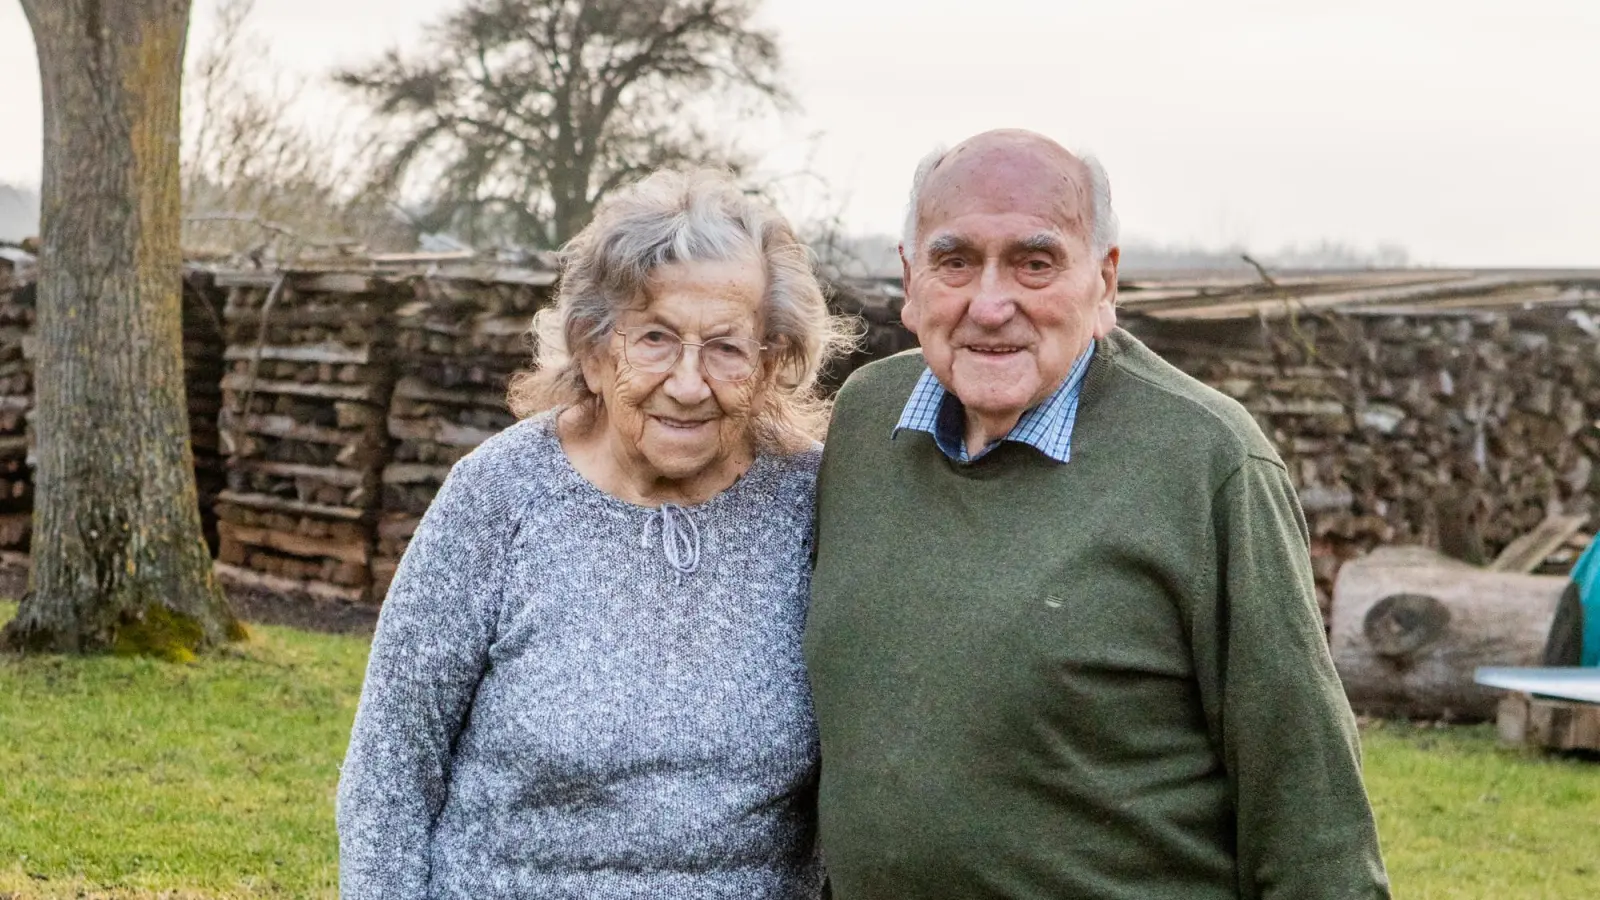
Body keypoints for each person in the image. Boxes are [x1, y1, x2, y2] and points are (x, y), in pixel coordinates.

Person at [804, 129, 1391, 900]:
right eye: (954, 261)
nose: (989, 304)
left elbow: (1309, 809)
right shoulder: (863, 422)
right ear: (911, 282)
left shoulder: (1206, 461)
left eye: (1035, 262)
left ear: (1105, 282)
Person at [337, 169, 852, 899]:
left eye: (727, 349)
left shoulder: (817, 500)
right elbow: (390, 773)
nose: (688, 382)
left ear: (772, 362)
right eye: (656, 339)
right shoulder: (501, 495)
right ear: (592, 347)